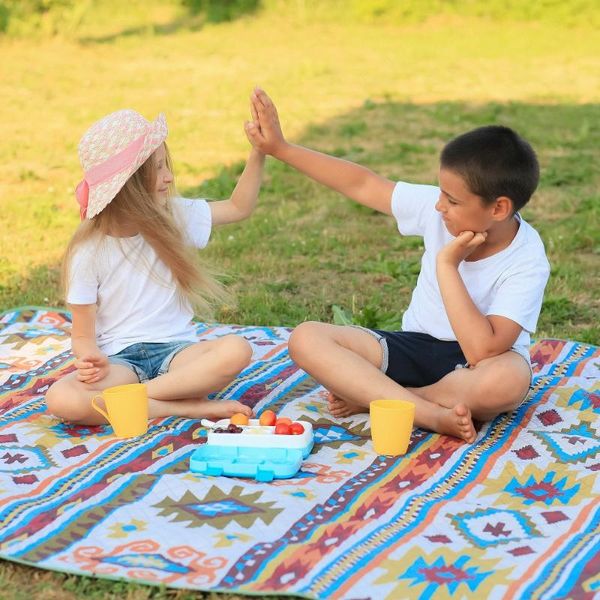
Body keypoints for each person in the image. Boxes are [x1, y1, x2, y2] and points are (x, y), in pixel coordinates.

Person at [244, 88, 550, 443]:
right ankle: (431, 413)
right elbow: (363, 184)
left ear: (498, 209)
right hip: (414, 347)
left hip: (477, 366)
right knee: (306, 338)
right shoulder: (440, 211)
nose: (439, 207)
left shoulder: (527, 258)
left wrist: (447, 267)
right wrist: (281, 149)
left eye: (451, 200)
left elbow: (483, 349)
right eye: (440, 193)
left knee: (508, 383)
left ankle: (381, 399)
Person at [46, 108, 264, 425]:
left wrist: (259, 152)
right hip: (121, 364)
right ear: (129, 185)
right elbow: (82, 335)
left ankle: (135, 401)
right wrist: (88, 358)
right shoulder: (89, 252)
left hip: (178, 356)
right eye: (159, 169)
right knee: (60, 398)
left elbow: (238, 207)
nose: (169, 177)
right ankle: (181, 406)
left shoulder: (174, 216)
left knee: (237, 350)